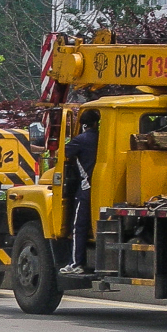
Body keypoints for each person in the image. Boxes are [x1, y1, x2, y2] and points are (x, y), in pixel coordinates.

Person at [61, 110, 99, 274]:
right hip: (100, 187)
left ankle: (76, 263)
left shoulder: (81, 140)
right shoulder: (102, 139)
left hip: (85, 188)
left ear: (83, 124)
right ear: (97, 123)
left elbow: (64, 155)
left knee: (79, 226)